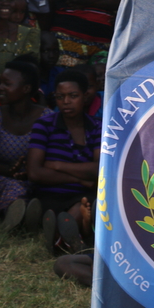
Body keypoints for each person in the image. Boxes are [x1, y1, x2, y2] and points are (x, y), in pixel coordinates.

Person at [28, 70, 101, 250]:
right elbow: (35, 173)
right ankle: (67, 237)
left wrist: (57, 165)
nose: (66, 101)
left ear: (85, 96)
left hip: (81, 196)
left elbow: (99, 169)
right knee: (60, 210)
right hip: (49, 193)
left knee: (83, 206)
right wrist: (80, 179)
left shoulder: (97, 127)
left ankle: (58, 238)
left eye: (73, 96)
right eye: (60, 97)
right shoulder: (44, 125)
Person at [0, 61, 49, 216]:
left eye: (7, 84)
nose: (0, 88)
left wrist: (30, 173)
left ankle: (21, 214)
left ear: (26, 89)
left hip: (37, 179)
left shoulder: (47, 118)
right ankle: (22, 213)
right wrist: (10, 171)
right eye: (0, 83)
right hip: (2, 179)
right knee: (14, 188)